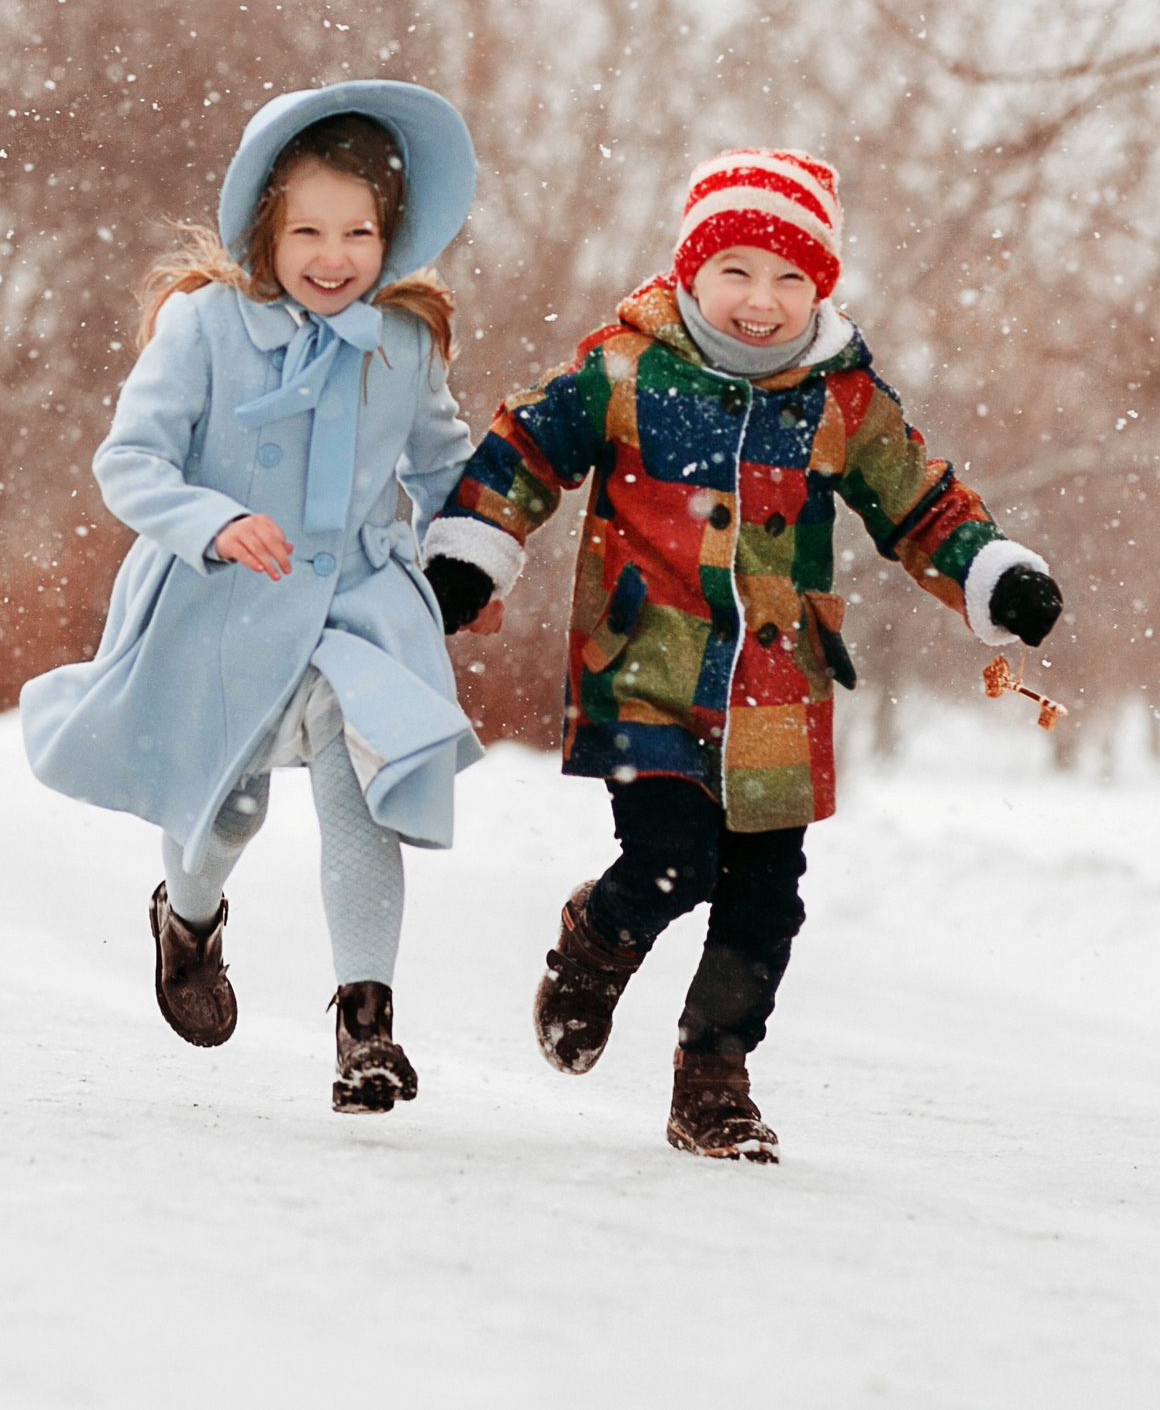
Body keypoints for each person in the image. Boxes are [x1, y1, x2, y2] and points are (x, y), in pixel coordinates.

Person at [420, 148, 1063, 1161]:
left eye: (790, 277)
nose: (762, 300)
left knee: (766, 898)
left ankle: (712, 1079)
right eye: (737, 271)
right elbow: (527, 450)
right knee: (672, 860)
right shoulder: (626, 368)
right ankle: (597, 942)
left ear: (820, 287)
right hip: (647, 666)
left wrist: (991, 571)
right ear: (691, 270)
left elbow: (919, 502)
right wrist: (474, 549)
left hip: (778, 682)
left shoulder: (841, 399)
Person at [21, 82, 484, 1115]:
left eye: (358, 232)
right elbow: (129, 463)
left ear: (390, 235)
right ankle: (187, 919)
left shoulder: (402, 342)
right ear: (267, 228)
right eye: (308, 230)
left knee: (361, 790)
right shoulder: (204, 327)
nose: (333, 256)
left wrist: (465, 556)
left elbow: (448, 468)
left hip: (356, 607)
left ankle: (366, 1026)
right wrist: (214, 520)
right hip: (220, 602)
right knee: (228, 810)